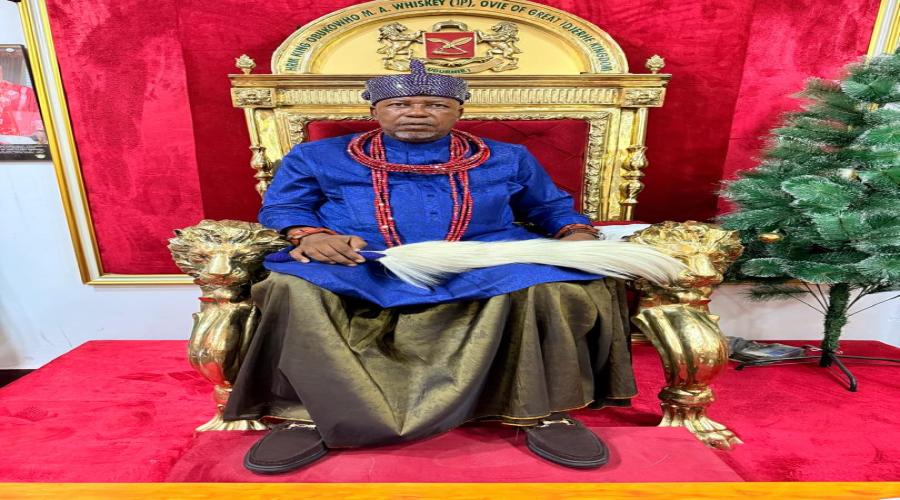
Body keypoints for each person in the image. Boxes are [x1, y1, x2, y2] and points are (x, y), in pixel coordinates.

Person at [224, 60, 636, 474]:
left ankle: (546, 409)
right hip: (365, 259)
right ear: (374, 111)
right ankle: (305, 413)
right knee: (291, 287)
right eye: (400, 104)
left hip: (484, 259)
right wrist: (311, 235)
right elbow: (285, 206)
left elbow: (549, 207)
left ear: (459, 111)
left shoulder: (509, 157)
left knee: (554, 287)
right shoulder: (317, 155)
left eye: (435, 104)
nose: (417, 112)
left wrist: (574, 233)